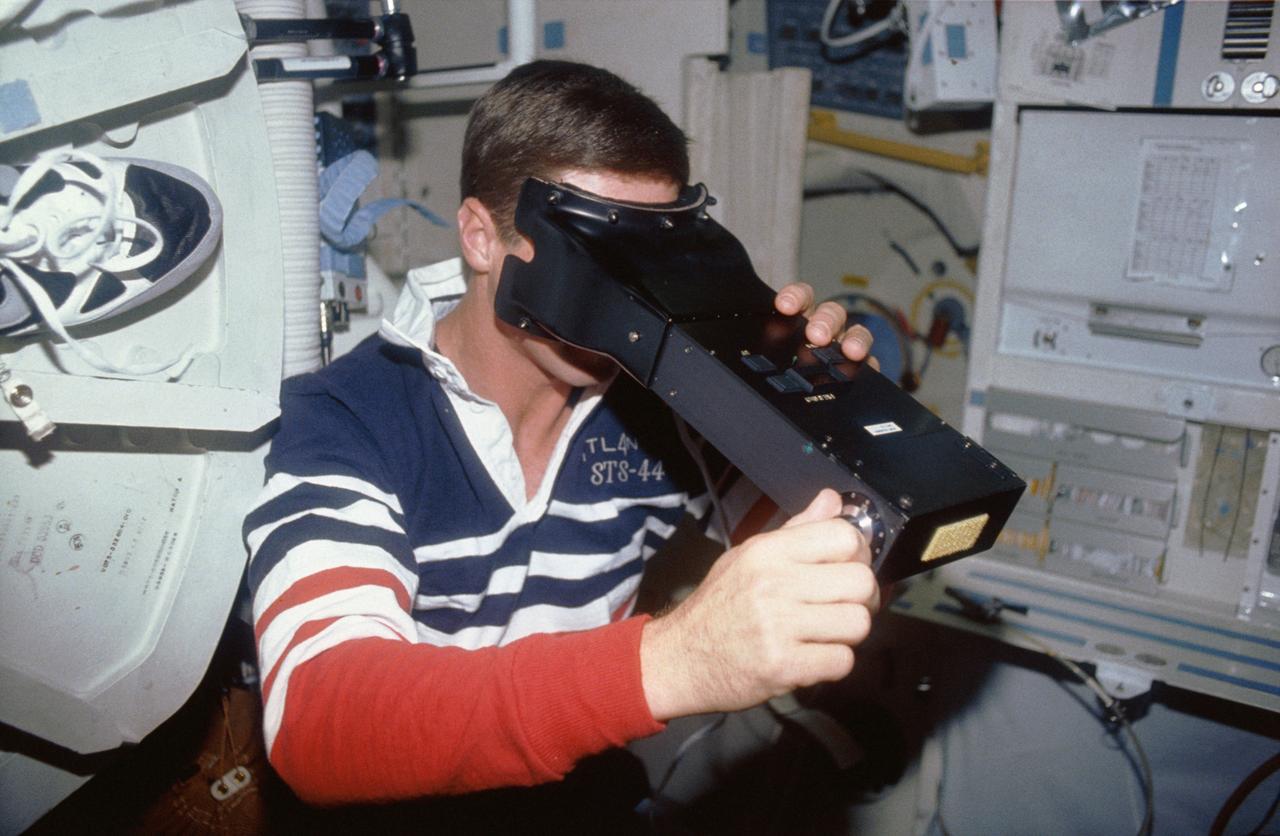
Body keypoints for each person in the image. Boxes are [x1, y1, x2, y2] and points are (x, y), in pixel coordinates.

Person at [242, 60, 881, 810]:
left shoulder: (663, 402)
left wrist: (817, 408)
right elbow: (322, 722)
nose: (627, 302)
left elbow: (852, 562)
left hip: (580, 798)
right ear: (483, 239)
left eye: (649, 258)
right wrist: (672, 662)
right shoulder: (347, 419)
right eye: (597, 259)